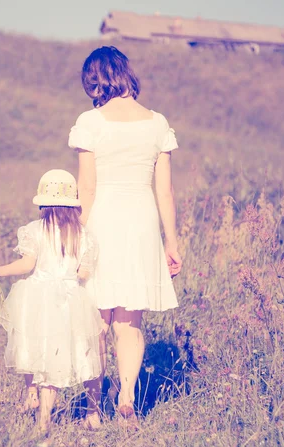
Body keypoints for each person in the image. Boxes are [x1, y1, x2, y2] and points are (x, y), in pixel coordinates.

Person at [68, 46, 183, 426]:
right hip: (141, 224)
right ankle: (128, 401)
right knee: (129, 322)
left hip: (102, 222)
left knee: (96, 321)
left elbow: (86, 187)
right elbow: (164, 191)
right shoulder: (157, 123)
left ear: (96, 80)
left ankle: (92, 408)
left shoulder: (90, 122)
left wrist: (77, 239)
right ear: (125, 73)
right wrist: (173, 241)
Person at [0, 169, 104, 432]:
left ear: (43, 204)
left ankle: (31, 394)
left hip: (37, 296)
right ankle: (44, 420)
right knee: (55, 359)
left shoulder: (34, 231)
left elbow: (27, 264)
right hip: (69, 300)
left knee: (30, 345)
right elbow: (84, 273)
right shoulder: (83, 235)